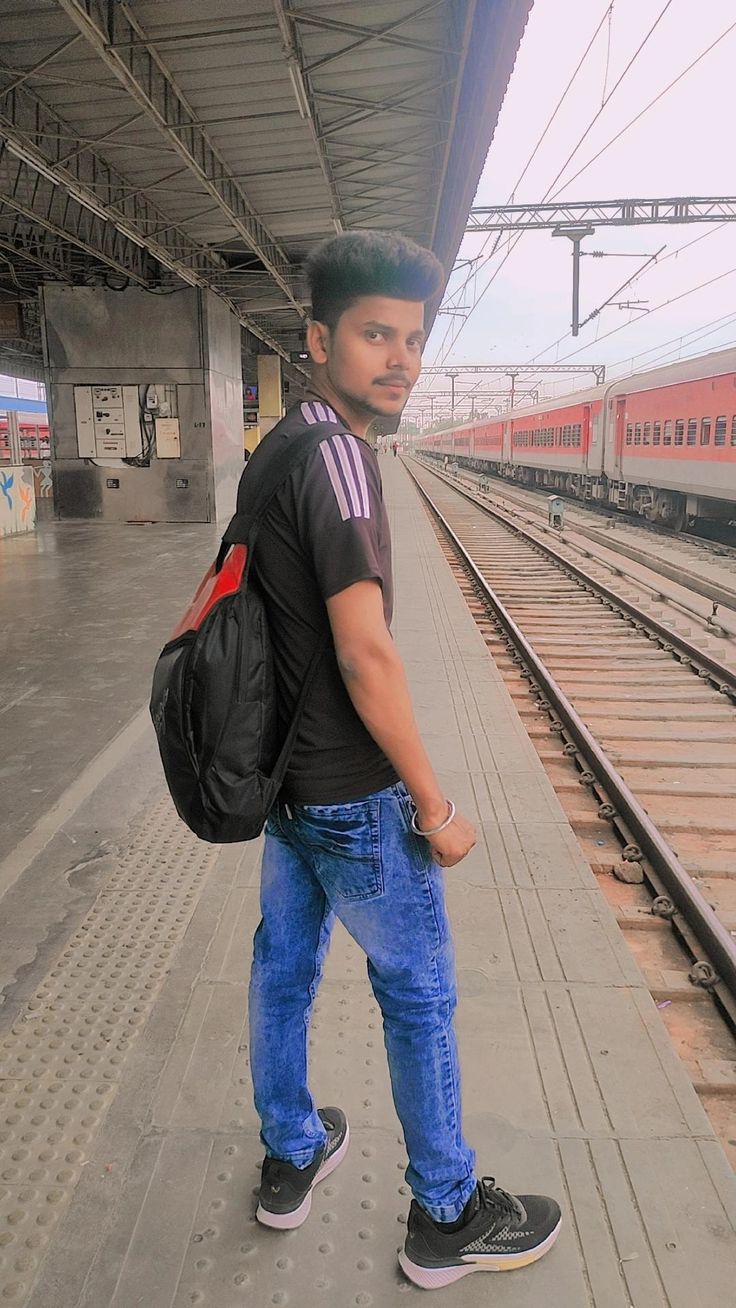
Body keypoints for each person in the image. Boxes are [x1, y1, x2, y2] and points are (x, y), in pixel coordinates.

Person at [244, 230, 561, 1288]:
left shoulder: (281, 445)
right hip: (351, 793)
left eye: (413, 338)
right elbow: (364, 649)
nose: (400, 358)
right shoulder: (343, 457)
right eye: (376, 334)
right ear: (318, 337)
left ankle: (291, 1157)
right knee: (417, 992)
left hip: (281, 786)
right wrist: (433, 801)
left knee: (282, 972)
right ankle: (446, 1213)